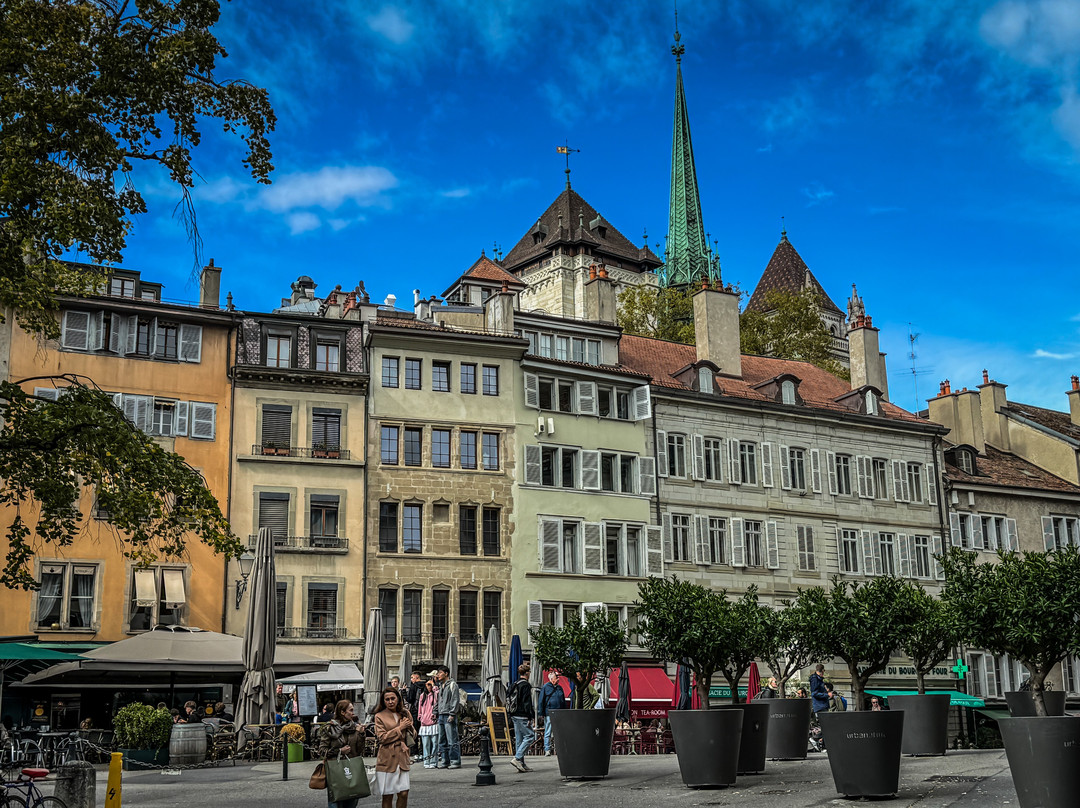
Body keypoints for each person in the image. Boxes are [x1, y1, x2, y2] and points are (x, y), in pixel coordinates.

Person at [315, 700, 364, 808]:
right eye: (350, 710)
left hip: (352, 770)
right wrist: (339, 751)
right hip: (335, 770)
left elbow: (359, 750)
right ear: (342, 712)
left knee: (351, 802)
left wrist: (361, 734)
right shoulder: (330, 728)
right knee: (335, 803)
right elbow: (322, 750)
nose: (353, 713)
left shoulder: (354, 728)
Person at [373, 687, 412, 808]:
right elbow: (382, 738)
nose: (390, 701)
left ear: (398, 699)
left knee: (404, 793)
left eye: (393, 698)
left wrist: (409, 726)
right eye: (387, 699)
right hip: (387, 758)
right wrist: (400, 728)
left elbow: (413, 735)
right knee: (388, 795)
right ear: (383, 701)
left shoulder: (404, 713)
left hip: (402, 757)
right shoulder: (379, 716)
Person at [507, 664, 536, 772]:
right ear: (527, 673)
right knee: (530, 736)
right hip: (522, 715)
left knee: (519, 739)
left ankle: (521, 764)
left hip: (514, 714)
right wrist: (530, 716)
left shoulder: (514, 684)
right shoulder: (526, 685)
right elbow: (527, 703)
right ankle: (517, 758)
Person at [434, 665, 461, 769]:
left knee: (452, 739)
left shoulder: (452, 685)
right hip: (441, 714)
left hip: (449, 715)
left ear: (446, 673)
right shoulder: (441, 686)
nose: (438, 675)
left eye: (440, 673)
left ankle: (455, 761)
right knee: (442, 739)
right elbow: (438, 701)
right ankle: (445, 761)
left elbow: (455, 699)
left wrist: (452, 713)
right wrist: (434, 711)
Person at [537, 671, 565, 756]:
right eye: (557, 677)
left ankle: (558, 749)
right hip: (549, 712)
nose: (558, 679)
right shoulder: (545, 687)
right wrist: (541, 713)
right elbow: (541, 701)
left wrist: (564, 712)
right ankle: (547, 749)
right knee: (548, 731)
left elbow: (563, 701)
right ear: (552, 679)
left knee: (558, 731)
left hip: (559, 712)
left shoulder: (560, 688)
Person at [416, 679, 439, 769]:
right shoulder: (423, 695)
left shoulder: (435, 694)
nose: (428, 686)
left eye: (430, 685)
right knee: (426, 744)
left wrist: (434, 686)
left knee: (435, 743)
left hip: (433, 721)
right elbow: (420, 707)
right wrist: (420, 716)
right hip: (424, 722)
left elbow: (438, 697)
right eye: (427, 684)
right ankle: (426, 761)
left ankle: (433, 761)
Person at [404, 671, 425, 762]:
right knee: (424, 734)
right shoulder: (425, 686)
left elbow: (410, 699)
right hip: (424, 713)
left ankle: (416, 753)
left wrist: (404, 692)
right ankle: (424, 752)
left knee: (415, 732)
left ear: (416, 677)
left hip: (415, 711)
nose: (411, 680)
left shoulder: (414, 686)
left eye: (412, 678)